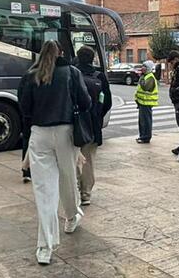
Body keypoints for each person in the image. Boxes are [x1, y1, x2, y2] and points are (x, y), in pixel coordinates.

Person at [17, 40, 91, 265]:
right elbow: (85, 102)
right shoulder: (72, 73)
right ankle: (71, 217)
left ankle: (44, 247)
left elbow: (24, 108)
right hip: (65, 132)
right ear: (61, 53)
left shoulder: (31, 75)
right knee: (68, 180)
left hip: (39, 133)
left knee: (44, 191)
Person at [74, 46, 111, 206]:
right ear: (92, 58)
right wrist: (97, 115)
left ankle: (74, 190)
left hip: (74, 123)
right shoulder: (99, 76)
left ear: (78, 57)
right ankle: (86, 194)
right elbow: (107, 102)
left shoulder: (72, 73)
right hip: (92, 124)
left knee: (73, 158)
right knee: (88, 160)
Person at [134, 59, 159, 144]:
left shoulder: (150, 77)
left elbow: (145, 87)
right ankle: (142, 136)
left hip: (147, 103)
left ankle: (145, 137)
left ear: (148, 68)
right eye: (142, 66)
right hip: (142, 103)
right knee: (142, 121)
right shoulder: (145, 76)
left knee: (146, 121)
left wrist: (141, 79)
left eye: (144, 66)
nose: (142, 68)